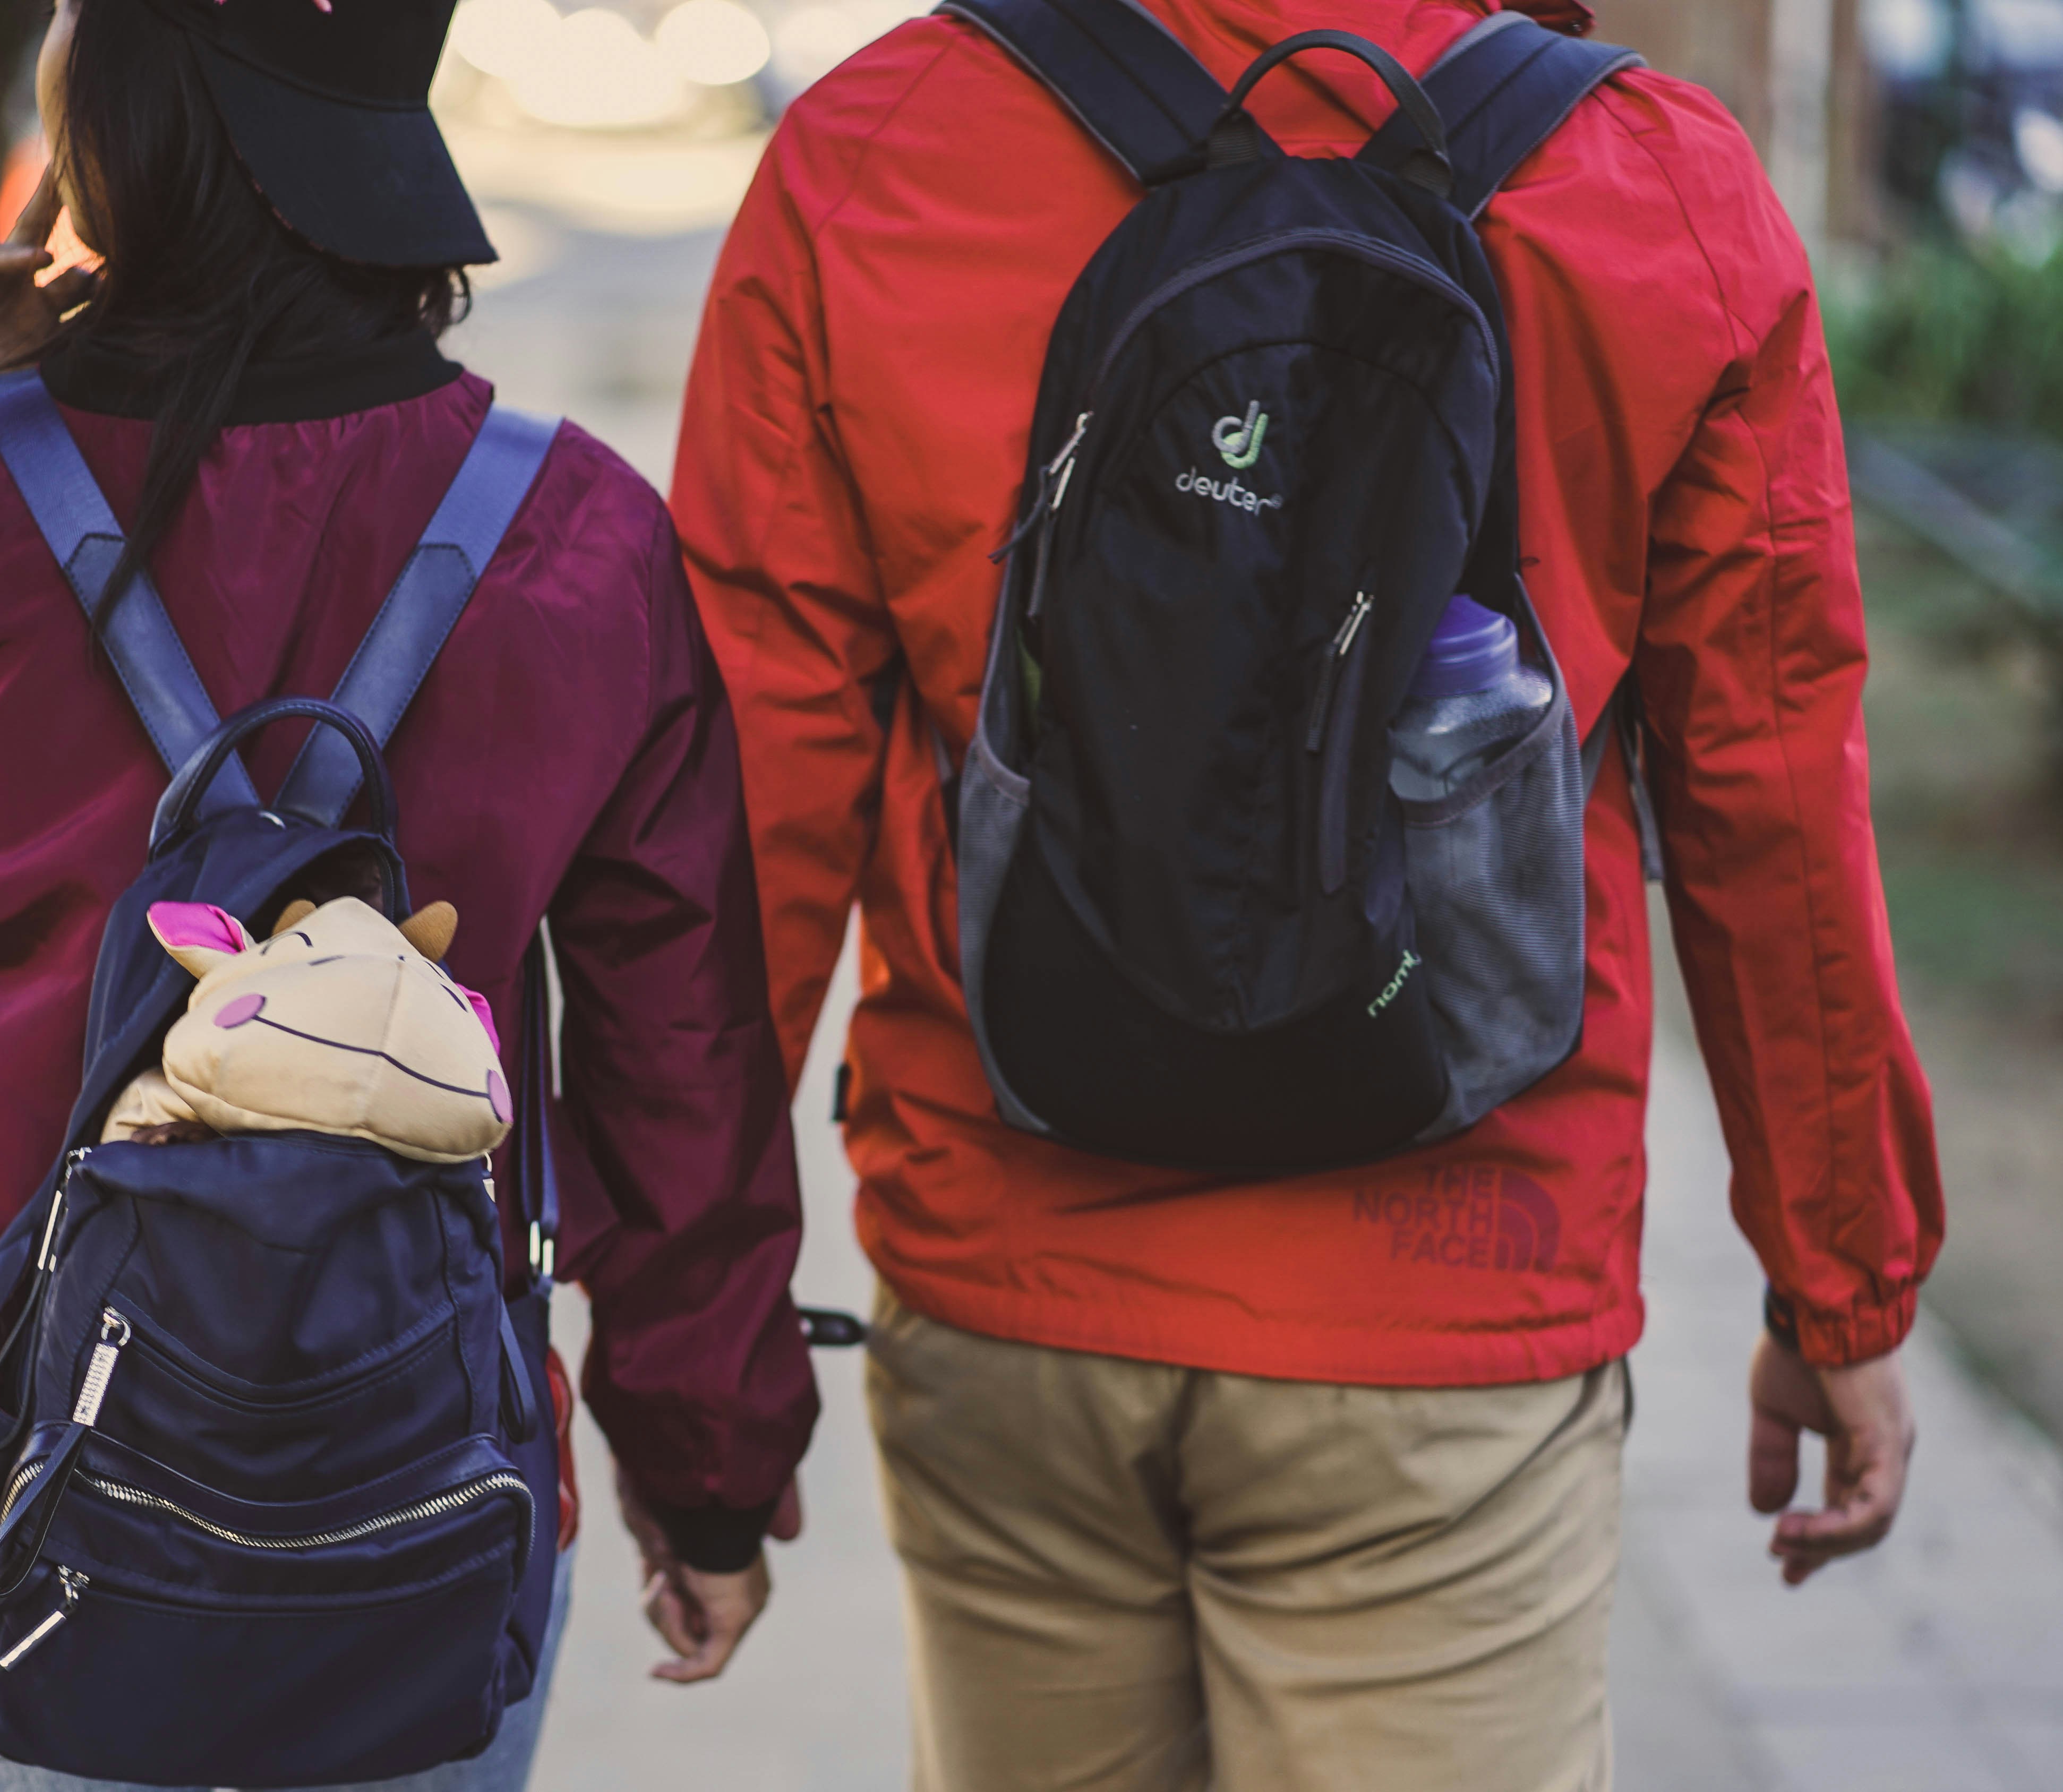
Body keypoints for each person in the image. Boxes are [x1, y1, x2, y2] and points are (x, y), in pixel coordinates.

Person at [671, 1, 1943, 1787]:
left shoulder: (882, 149)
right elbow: (1775, 798)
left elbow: (744, 812)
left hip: (1007, 1275)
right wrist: (1842, 1286)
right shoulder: (1654, 183)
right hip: (1454, 1313)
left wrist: (690, 1355)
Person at [0, 0, 816, 1784]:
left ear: (124, 108)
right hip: (411, 1477)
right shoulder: (575, 534)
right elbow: (681, 1067)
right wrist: (708, 1471)